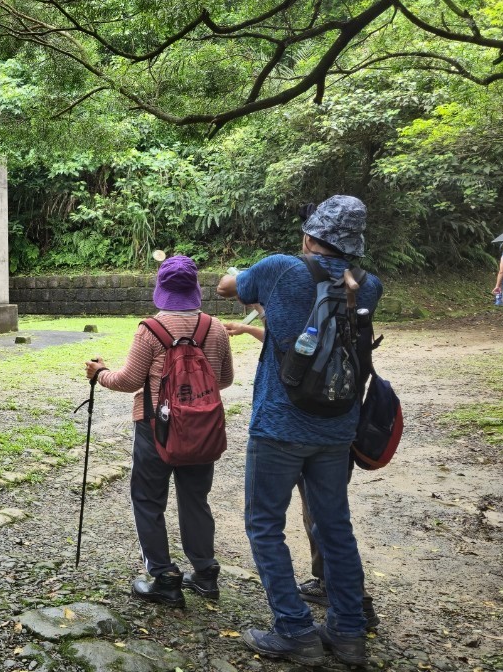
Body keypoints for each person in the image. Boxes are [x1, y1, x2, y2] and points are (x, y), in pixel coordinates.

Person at [216, 195, 383, 666]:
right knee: (334, 526)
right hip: (338, 425)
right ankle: (348, 633)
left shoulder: (280, 269)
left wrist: (244, 271)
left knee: (265, 525)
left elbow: (229, 287)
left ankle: (294, 630)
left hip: (279, 423)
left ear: (310, 234)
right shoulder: (367, 285)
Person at [84, 255, 234, 607]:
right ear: (195, 289)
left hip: (156, 428)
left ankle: (164, 577)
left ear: (161, 289)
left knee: (149, 500)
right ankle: (205, 573)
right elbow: (224, 379)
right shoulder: (214, 328)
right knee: (196, 498)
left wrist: (99, 373)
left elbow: (129, 381)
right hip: (203, 428)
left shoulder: (151, 330)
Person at [224, 307, 381, 629]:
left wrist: (260, 311)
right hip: (336, 430)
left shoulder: (303, 307)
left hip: (290, 433)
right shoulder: (348, 309)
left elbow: (236, 288)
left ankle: (303, 623)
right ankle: (350, 610)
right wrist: (247, 327)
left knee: (282, 523)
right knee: (329, 522)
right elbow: (291, 346)